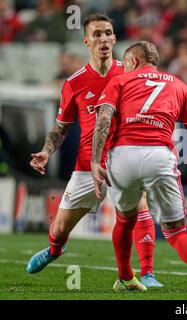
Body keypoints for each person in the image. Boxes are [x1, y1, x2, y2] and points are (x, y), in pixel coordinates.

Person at [26, 14, 163, 288]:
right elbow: (60, 127)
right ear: (86, 40)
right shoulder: (74, 83)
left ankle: (147, 272)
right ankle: (55, 249)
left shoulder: (130, 74)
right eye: (97, 34)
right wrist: (46, 151)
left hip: (124, 157)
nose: (103, 39)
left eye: (108, 33)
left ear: (114, 38)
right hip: (87, 164)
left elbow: (159, 102)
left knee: (139, 206)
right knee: (61, 228)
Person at [90, 40, 187, 292]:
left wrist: (95, 160)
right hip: (160, 156)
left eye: (125, 64)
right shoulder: (181, 86)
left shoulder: (119, 82)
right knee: (177, 232)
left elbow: (103, 119)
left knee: (125, 221)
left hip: (123, 155)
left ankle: (126, 278)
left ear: (133, 61)